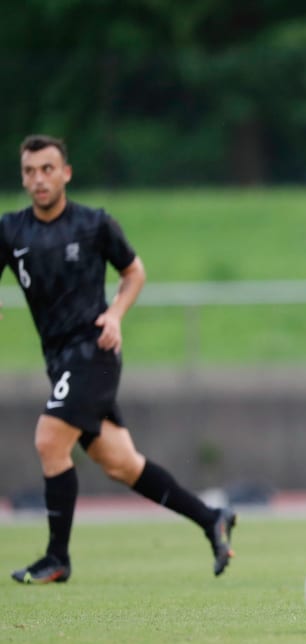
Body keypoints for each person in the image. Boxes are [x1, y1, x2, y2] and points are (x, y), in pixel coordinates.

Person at [0, 135, 236, 584]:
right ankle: (211, 518)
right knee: (122, 464)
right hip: (60, 360)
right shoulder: (10, 230)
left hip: (95, 352)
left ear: (66, 173)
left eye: (48, 169)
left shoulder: (93, 224)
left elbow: (134, 272)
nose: (38, 180)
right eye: (30, 172)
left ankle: (57, 558)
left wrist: (115, 315)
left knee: (49, 440)